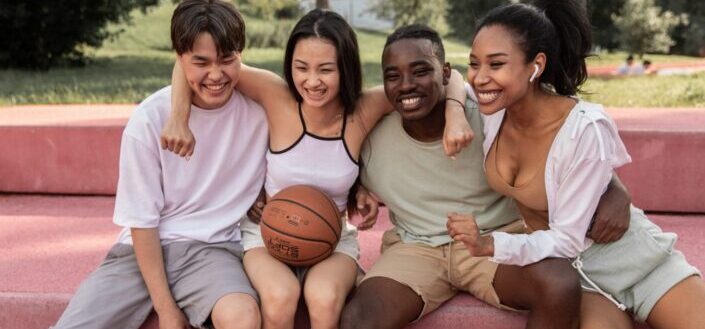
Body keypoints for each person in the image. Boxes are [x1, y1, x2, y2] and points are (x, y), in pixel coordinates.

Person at [160, 10, 473, 329]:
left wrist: (457, 114)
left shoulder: (363, 110)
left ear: (346, 68)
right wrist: (178, 119)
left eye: (326, 69)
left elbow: (453, 78)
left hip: (332, 238)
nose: (312, 81)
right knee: (281, 295)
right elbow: (191, 62)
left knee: (322, 296)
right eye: (301, 68)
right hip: (267, 234)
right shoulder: (275, 95)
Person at [339, 24, 632, 329]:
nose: (406, 85)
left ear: (446, 73)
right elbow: (330, 165)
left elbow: (562, 144)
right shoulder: (372, 138)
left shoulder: (489, 115)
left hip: (496, 239)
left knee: (559, 284)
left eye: (420, 71)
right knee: (358, 318)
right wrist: (358, 187)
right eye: (393, 76)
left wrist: (613, 186)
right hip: (415, 248)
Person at [452, 1, 705, 328]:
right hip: (579, 280)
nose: (480, 77)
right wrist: (453, 115)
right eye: (474, 63)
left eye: (496, 64)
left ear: (536, 66)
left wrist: (490, 244)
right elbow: (449, 81)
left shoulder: (583, 128)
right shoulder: (496, 109)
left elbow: (567, 238)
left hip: (636, 263)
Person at [53, 1, 265, 329]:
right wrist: (166, 309)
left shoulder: (259, 112)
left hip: (212, 249)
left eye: (227, 60)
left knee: (243, 318)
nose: (216, 75)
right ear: (179, 60)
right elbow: (142, 223)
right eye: (201, 62)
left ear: (241, 55)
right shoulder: (149, 119)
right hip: (140, 255)